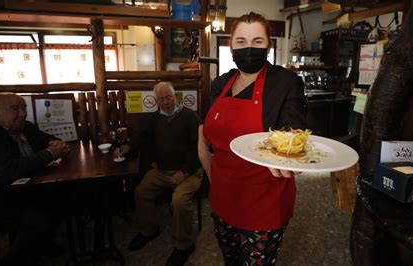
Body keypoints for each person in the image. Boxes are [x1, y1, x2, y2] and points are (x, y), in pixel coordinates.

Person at [198, 12, 307, 265]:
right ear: (231, 46)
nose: (249, 48)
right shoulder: (221, 83)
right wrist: (211, 176)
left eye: (257, 41)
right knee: (230, 258)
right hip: (224, 196)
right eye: (241, 41)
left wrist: (291, 159)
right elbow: (203, 134)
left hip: (264, 200)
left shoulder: (286, 82)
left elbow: (293, 131)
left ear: (268, 45)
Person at [0, 93, 69, 266]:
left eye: (24, 108)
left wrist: (56, 144)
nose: (23, 113)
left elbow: (50, 140)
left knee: (64, 195)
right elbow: (5, 171)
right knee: (38, 215)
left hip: (28, 189)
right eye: (15, 109)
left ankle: (42, 244)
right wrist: (49, 153)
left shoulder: (25, 127)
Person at [116, 81, 201, 266]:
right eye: (161, 99)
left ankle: (184, 245)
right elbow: (142, 136)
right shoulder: (154, 118)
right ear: (156, 101)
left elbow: (198, 148)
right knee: (141, 192)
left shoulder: (190, 117)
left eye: (168, 97)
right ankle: (149, 230)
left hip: (190, 171)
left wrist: (185, 171)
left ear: (175, 96)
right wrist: (128, 146)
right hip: (162, 169)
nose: (166, 101)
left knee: (179, 200)